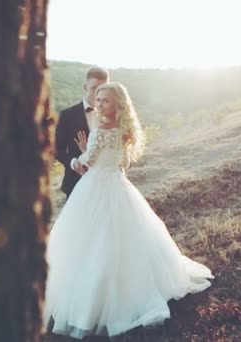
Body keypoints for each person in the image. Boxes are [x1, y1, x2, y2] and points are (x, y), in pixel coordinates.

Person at [44, 82, 214, 340]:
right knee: (124, 234)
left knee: (91, 237)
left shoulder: (100, 129)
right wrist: (90, 154)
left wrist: (79, 156)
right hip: (117, 182)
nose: (100, 104)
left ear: (118, 104)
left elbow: (85, 163)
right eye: (98, 99)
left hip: (96, 185)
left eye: (106, 101)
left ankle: (96, 298)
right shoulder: (124, 129)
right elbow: (118, 161)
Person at [55, 67, 109, 198]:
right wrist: (73, 163)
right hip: (76, 184)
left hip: (105, 185)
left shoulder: (111, 117)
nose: (98, 94)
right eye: (94, 88)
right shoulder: (67, 115)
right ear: (85, 87)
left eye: (103, 89)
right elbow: (56, 148)